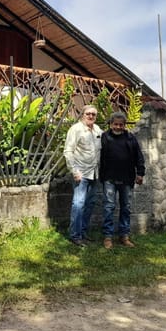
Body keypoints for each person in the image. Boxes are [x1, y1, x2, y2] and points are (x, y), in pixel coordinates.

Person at [100, 111, 145, 249]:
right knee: (109, 207)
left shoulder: (131, 138)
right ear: (111, 124)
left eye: (121, 125)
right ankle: (108, 237)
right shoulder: (104, 137)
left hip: (127, 178)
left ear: (125, 125)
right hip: (109, 178)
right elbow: (98, 156)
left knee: (126, 207)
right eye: (115, 124)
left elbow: (139, 156)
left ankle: (124, 236)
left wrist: (140, 173)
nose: (118, 127)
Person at [63, 105, 102, 246]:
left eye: (93, 114)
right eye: (88, 114)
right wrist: (74, 170)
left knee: (90, 204)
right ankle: (75, 235)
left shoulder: (97, 129)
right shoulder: (75, 129)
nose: (91, 116)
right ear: (82, 115)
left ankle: (83, 232)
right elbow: (68, 151)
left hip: (94, 173)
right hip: (81, 173)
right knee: (78, 204)